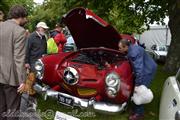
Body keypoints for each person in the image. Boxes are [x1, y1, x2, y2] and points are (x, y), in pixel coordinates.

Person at [0, 5, 28, 120]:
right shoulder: (19, 31)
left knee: (1, 108)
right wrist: (22, 81)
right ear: (20, 17)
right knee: (12, 110)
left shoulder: (0, 26)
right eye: (25, 17)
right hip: (11, 78)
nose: (26, 20)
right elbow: (19, 58)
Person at [118, 39, 157, 120]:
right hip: (145, 68)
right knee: (136, 90)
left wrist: (137, 84)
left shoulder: (134, 53)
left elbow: (139, 70)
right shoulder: (130, 49)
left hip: (147, 70)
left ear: (126, 47)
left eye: (120, 48)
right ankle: (136, 109)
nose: (119, 49)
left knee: (140, 91)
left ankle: (139, 114)